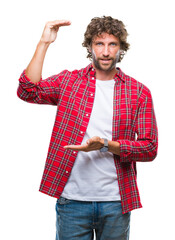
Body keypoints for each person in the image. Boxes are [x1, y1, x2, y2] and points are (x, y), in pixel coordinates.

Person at [17, 16, 158, 240]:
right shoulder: (69, 82)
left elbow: (149, 148)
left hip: (115, 202)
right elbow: (28, 91)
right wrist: (44, 42)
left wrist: (105, 145)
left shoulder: (138, 92)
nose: (105, 51)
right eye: (99, 44)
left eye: (112, 44)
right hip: (72, 202)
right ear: (90, 47)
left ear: (121, 48)